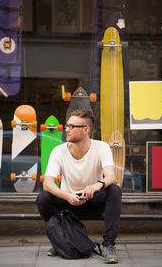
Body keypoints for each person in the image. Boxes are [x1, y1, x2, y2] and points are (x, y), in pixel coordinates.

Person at [36, 109, 121, 263]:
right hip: (68, 203)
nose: (66, 129)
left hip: (92, 199)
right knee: (43, 198)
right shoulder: (59, 151)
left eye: (72, 126)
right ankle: (60, 239)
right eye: (67, 125)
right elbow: (48, 183)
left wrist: (97, 186)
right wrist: (67, 196)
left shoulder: (101, 147)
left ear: (85, 130)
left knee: (114, 190)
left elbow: (111, 176)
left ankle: (108, 245)